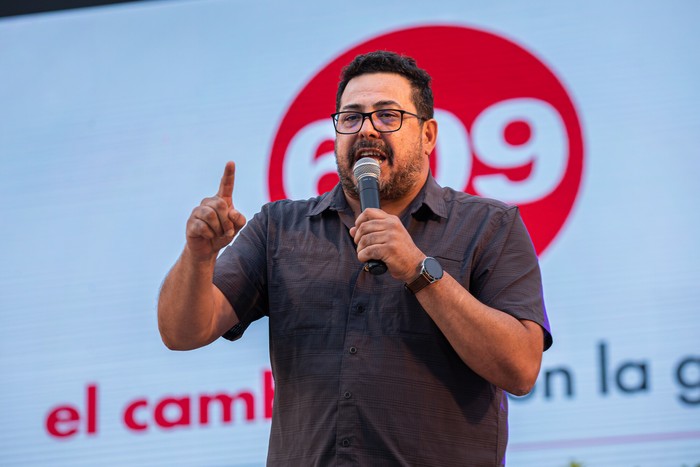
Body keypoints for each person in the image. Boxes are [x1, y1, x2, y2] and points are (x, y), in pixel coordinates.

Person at [158, 50, 552, 466]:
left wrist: (419, 271)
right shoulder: (280, 228)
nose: (366, 130)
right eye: (351, 118)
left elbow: (520, 368)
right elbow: (181, 333)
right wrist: (199, 257)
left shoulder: (488, 225)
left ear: (428, 135)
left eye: (387, 116)